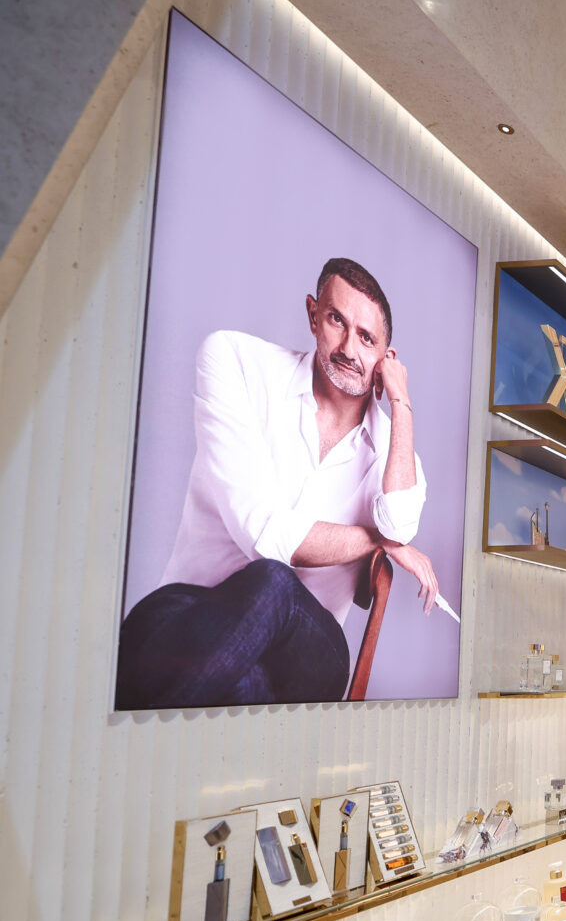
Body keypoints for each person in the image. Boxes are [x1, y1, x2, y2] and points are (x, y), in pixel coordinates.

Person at [117, 257, 440, 709]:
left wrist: (401, 401)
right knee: (242, 682)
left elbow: (400, 524)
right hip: (189, 616)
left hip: (307, 651)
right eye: (336, 321)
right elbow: (267, 535)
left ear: (387, 359)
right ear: (312, 315)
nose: (349, 347)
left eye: (367, 338)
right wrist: (376, 541)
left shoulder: (396, 453)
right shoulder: (235, 361)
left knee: (275, 584)